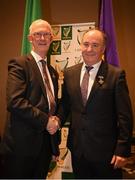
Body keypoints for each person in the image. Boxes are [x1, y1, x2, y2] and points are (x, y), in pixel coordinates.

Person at [57, 29, 133, 179]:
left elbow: (125, 116)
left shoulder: (115, 75)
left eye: (95, 45)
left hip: (107, 153)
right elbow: (65, 105)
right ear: (81, 46)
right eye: (85, 44)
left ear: (103, 49)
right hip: (78, 150)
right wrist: (56, 120)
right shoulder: (70, 73)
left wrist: (122, 150)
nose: (89, 49)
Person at [0, 19, 60, 179]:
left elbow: (51, 108)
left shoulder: (53, 72)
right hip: (20, 149)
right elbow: (15, 101)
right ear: (30, 39)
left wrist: (54, 147)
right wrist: (45, 121)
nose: (42, 38)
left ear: (51, 38)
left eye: (46, 34)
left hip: (44, 149)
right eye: (37, 34)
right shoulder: (19, 64)